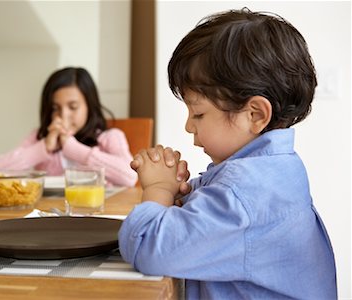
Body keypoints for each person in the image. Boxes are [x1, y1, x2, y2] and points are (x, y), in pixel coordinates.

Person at [119, 8, 337, 299]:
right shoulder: (274, 170)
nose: (188, 125)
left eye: (198, 113)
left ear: (254, 114)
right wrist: (177, 191)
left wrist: (158, 187)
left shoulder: (244, 192)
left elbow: (147, 247)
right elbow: (204, 214)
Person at [0, 67, 137, 187]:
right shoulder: (39, 138)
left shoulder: (110, 137)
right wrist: (43, 148)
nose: (63, 116)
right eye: (55, 108)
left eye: (73, 107)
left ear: (89, 106)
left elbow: (130, 176)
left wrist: (75, 150)